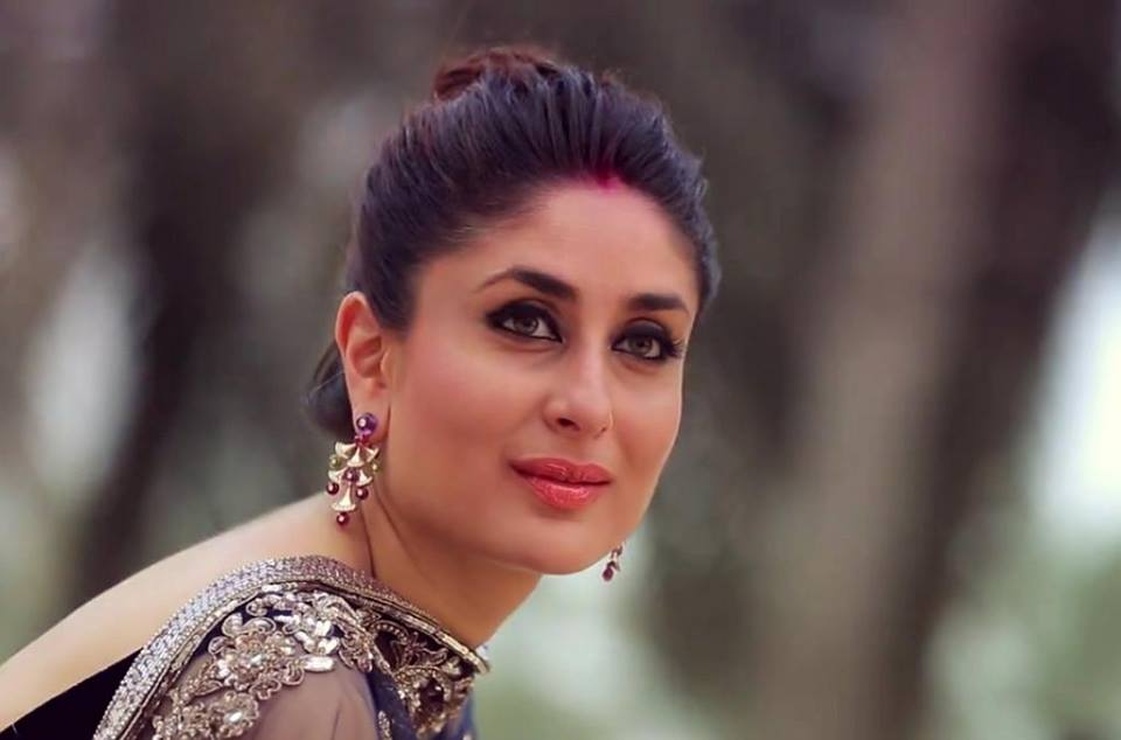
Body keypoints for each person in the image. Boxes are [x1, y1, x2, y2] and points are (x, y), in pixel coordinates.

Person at [0, 43, 719, 739]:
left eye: (643, 343)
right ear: (372, 360)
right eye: (524, 322)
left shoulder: (387, 647)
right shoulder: (299, 682)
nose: (588, 406)